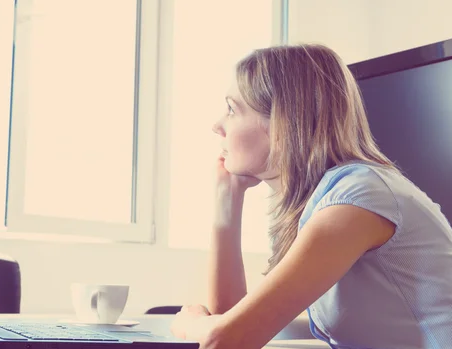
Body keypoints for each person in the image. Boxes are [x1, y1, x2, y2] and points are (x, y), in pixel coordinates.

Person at [169, 44, 452, 349]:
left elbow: (227, 339)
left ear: (282, 122)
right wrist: (228, 201)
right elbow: (233, 322)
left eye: (231, 109)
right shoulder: (323, 203)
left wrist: (189, 323)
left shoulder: (359, 198)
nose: (217, 125)